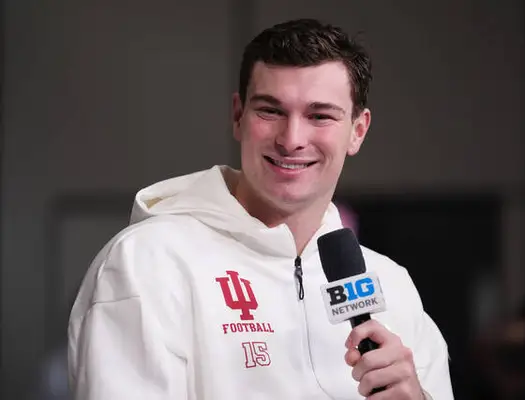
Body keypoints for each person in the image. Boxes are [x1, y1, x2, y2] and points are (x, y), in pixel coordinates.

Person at [68, 18, 453, 399]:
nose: (292, 139)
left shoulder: (393, 286)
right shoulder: (151, 262)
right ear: (238, 116)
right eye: (271, 111)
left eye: (320, 116)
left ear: (358, 131)